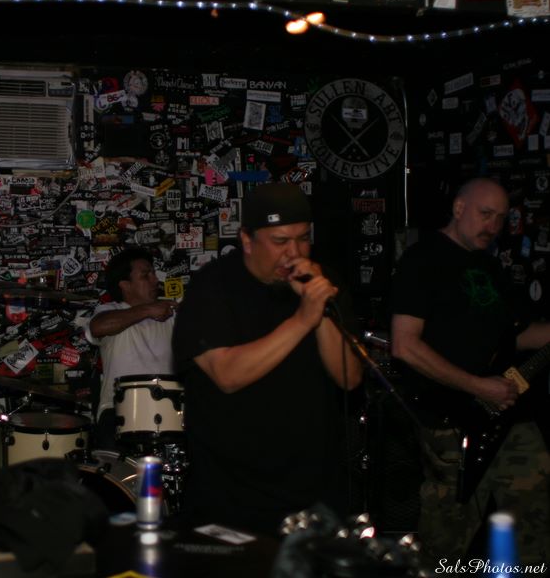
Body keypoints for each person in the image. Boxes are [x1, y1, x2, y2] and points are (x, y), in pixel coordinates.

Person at [172, 182, 363, 536]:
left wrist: (319, 310)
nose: (294, 252)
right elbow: (227, 374)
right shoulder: (213, 287)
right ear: (247, 240)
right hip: (232, 497)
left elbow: (349, 378)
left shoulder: (321, 282)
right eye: (280, 241)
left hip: (314, 492)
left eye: (303, 239)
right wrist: (302, 320)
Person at [391, 177, 550, 566]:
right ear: (459, 208)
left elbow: (518, 336)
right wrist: (477, 386)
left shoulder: (490, 266)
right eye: (485, 214)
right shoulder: (422, 260)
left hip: (507, 414)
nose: (493, 226)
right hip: (451, 419)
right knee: (446, 536)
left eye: (500, 218)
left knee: (534, 517)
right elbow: (404, 345)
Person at [84, 248, 177, 449]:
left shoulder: (170, 315)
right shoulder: (110, 310)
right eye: (146, 275)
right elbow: (98, 327)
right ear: (125, 285)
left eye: (154, 273)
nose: (155, 280)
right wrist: (148, 310)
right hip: (118, 409)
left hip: (169, 409)